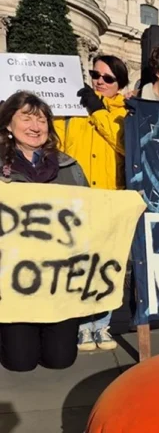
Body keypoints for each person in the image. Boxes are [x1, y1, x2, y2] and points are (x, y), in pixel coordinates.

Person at [0, 92, 89, 371]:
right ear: (8, 126)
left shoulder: (69, 167)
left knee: (60, 360)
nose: (35, 127)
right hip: (13, 280)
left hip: (58, 277)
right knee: (20, 362)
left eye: (41, 119)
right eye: (26, 118)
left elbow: (92, 214)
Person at [54, 55, 131, 351]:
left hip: (110, 199)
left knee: (106, 266)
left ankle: (102, 324)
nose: (99, 81)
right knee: (77, 264)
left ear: (119, 84)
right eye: (95, 74)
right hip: (76, 200)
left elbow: (124, 144)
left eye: (108, 78)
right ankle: (83, 325)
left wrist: (98, 112)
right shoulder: (70, 110)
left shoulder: (125, 111)